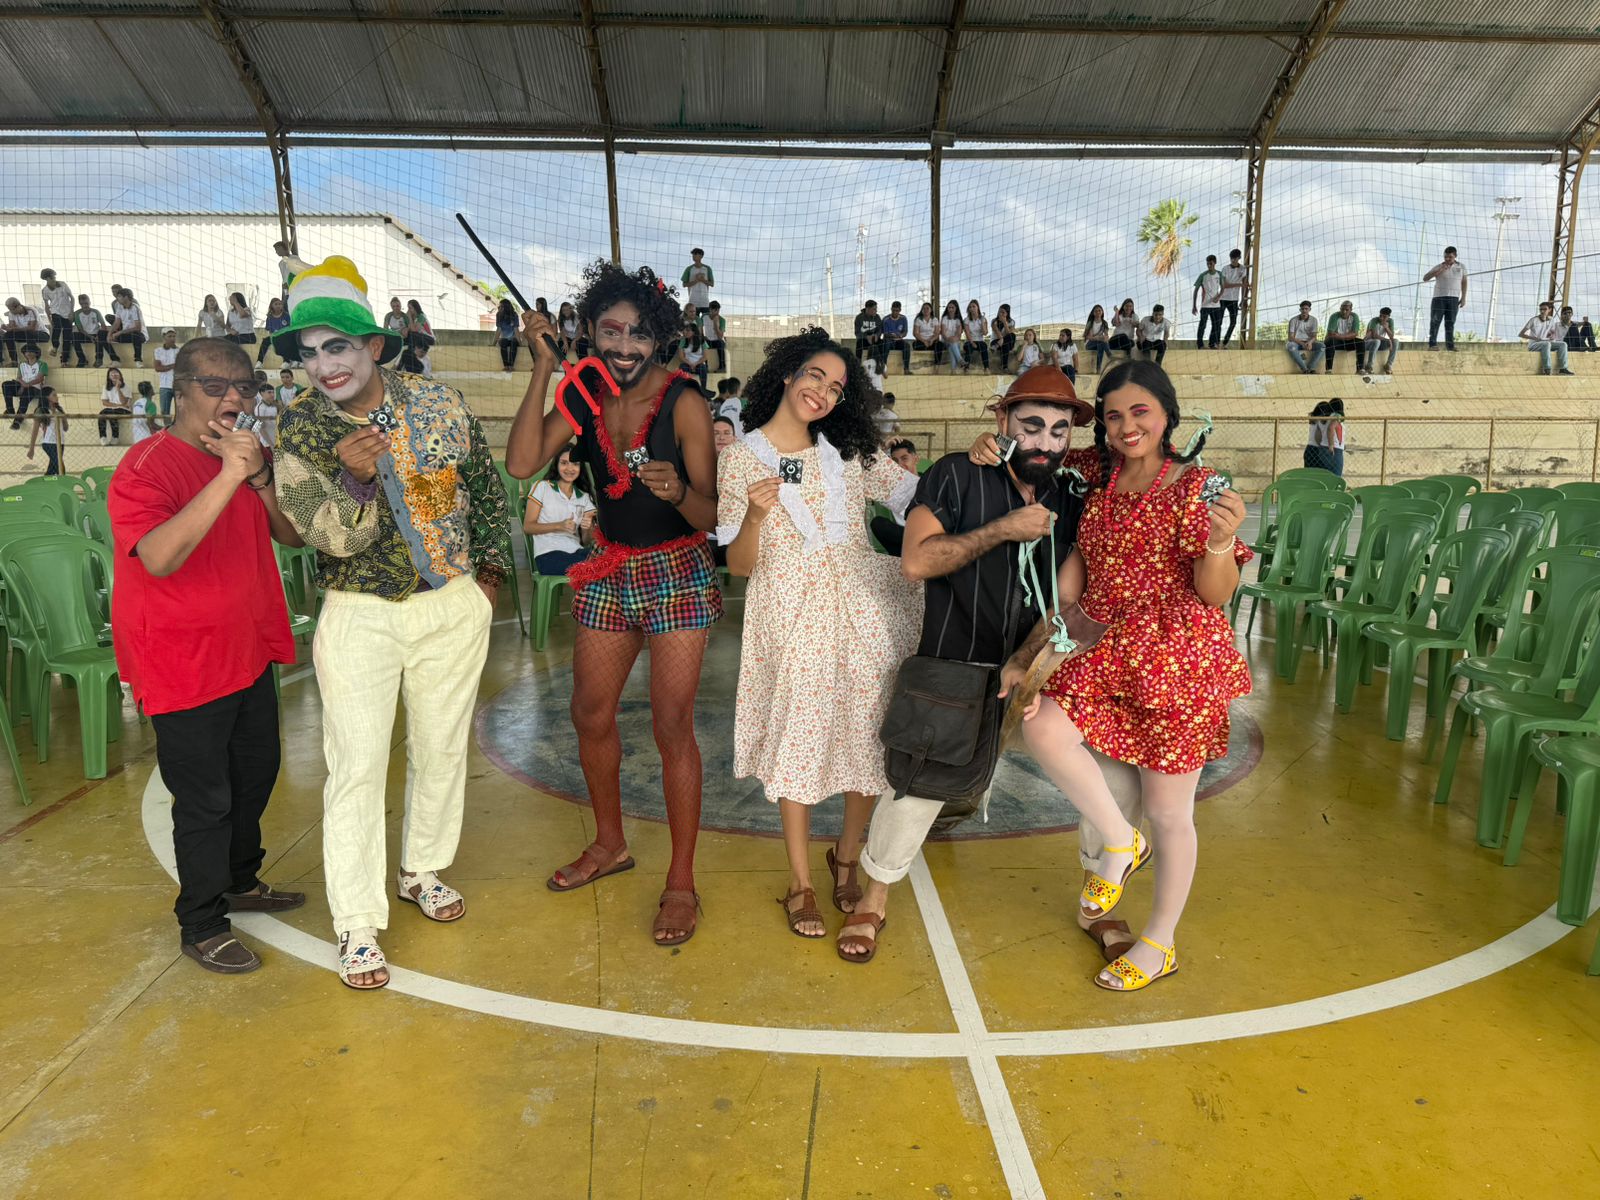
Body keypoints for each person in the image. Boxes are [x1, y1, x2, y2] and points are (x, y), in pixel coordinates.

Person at [273, 255, 511, 990]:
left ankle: (422, 870)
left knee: (441, 748)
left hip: (452, 605)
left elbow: (485, 487)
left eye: (336, 347)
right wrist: (352, 480)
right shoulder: (302, 426)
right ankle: (356, 922)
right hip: (359, 613)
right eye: (309, 353)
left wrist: (489, 579)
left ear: (374, 346)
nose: (323, 366)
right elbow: (324, 537)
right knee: (356, 766)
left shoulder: (438, 402)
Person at [836, 366, 1094, 963]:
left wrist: (1028, 661)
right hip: (953, 661)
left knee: (1096, 779)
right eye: (1032, 426)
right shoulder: (955, 473)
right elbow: (916, 563)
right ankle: (874, 898)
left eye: (1059, 431)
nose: (1046, 442)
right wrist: (1003, 529)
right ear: (1002, 419)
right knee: (917, 785)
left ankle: (1099, 900)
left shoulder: (1072, 494)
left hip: (1037, 667)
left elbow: (1067, 597)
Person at [506, 260, 720, 947]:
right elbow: (522, 463)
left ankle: (681, 881)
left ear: (660, 338)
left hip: (678, 571)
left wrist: (677, 493)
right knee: (589, 713)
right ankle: (610, 844)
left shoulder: (685, 402)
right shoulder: (584, 393)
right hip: (609, 567)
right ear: (591, 333)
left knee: (671, 726)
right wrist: (544, 367)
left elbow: (712, 515)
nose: (624, 347)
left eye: (638, 334)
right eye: (610, 332)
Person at [1021, 360, 1249, 991]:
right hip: (1104, 644)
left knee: (1170, 812)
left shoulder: (1197, 486)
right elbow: (1033, 460)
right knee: (1043, 726)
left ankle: (1159, 942)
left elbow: (1215, 593)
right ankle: (1122, 842)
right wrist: (992, 445)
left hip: (1178, 658)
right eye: (1114, 415)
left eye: (1140, 412)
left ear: (1167, 414)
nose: (1126, 426)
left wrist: (1222, 541)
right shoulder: (1098, 472)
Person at [108, 336, 306, 975]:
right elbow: (160, 556)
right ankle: (201, 922)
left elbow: (291, 536)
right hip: (182, 659)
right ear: (180, 390)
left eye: (244, 387)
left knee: (256, 772)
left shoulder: (248, 455)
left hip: (245, 648)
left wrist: (260, 476)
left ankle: (240, 880)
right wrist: (227, 475)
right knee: (204, 798)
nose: (233, 398)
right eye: (215, 386)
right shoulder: (146, 465)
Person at [718, 328, 921, 938]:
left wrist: (982, 460)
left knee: (867, 732)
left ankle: (846, 857)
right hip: (790, 611)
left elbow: (916, 496)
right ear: (787, 374)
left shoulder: (849, 452)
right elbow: (739, 566)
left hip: (862, 607)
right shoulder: (739, 458)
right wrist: (755, 515)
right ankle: (800, 882)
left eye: (836, 387)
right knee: (800, 735)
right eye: (815, 376)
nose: (823, 392)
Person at [524, 447, 596, 575]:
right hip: (548, 554)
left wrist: (588, 527)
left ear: (580, 468)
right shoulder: (542, 487)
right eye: (564, 463)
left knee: (610, 560)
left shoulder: (584, 497)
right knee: (597, 567)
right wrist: (559, 526)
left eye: (575, 464)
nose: (569, 468)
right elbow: (528, 527)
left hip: (576, 551)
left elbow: (586, 541)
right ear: (556, 465)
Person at [869, 437, 921, 556]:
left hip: (926, 534)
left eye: (904, 458)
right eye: (895, 461)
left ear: (916, 459)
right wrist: (883, 448)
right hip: (903, 538)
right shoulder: (890, 486)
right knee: (878, 523)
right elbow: (868, 468)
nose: (900, 465)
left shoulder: (928, 481)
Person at [1424, 245, 1467, 351]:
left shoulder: (1461, 267)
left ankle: (1450, 346)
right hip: (1439, 297)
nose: (1447, 259)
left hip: (1454, 298)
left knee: (1450, 322)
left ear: (1455, 256)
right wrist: (1440, 270)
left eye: (1450, 257)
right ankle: (1432, 344)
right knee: (1435, 321)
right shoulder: (1439, 266)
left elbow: (1464, 282)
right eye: (1445, 257)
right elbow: (1425, 278)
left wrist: (1463, 297)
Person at [4, 344, 54, 428]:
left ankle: (17, 421)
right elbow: (19, 378)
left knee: (25, 395)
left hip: (34, 387)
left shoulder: (42, 364)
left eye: (31, 351)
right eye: (26, 351)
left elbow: (39, 379)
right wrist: (22, 386)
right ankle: (10, 410)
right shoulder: (22, 364)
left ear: (36, 353)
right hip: (22, 385)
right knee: (6, 385)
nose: (28, 353)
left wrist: (26, 385)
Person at [1519, 301, 1574, 375]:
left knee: (1563, 344)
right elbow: (1521, 334)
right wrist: (1535, 338)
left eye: (1545, 309)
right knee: (1546, 344)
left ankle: (1563, 369)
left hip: (1545, 342)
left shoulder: (1551, 319)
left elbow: (1552, 332)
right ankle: (1547, 369)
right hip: (1534, 345)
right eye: (1541, 309)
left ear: (1549, 310)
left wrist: (1552, 336)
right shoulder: (1533, 320)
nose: (1542, 311)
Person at [25, 391, 68, 475]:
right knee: (60, 466)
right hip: (49, 442)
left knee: (53, 468)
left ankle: (45, 481)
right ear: (47, 397)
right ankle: (63, 481)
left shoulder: (59, 410)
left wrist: (64, 418)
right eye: (54, 395)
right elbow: (35, 430)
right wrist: (31, 448)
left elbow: (65, 428)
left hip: (61, 442)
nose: (57, 397)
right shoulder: (42, 410)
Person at [39, 269, 76, 363]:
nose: (54, 278)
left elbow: (72, 297)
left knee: (67, 336)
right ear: (47, 278)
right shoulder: (45, 290)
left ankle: (64, 360)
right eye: (52, 277)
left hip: (67, 313)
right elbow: (47, 306)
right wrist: (49, 318)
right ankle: (55, 347)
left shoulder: (62, 284)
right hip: (55, 312)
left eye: (54, 276)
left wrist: (72, 312)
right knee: (57, 327)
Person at [1192, 255, 1224, 349]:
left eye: (1211, 263)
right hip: (1205, 305)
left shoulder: (1219, 274)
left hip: (1216, 305)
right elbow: (1196, 290)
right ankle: (1200, 344)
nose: (1209, 265)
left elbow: (1223, 288)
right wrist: (1194, 305)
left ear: (1215, 263)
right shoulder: (1203, 275)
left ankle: (1212, 344)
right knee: (1202, 325)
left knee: (1216, 325)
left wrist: (1218, 297)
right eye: (1208, 264)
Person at [1324, 300, 1365, 374]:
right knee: (1330, 341)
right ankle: (1328, 369)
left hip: (1347, 341)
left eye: (1347, 310)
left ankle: (1360, 369)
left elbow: (1355, 333)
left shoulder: (1354, 316)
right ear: (1340, 309)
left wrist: (1341, 336)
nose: (1344, 311)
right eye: (1342, 309)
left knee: (1361, 342)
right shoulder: (1334, 316)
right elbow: (1331, 333)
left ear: (1351, 310)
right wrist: (1347, 336)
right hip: (1337, 342)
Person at [71, 294, 110, 367]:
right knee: (73, 336)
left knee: (101, 337)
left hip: (96, 334)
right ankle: (82, 359)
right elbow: (80, 329)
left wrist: (97, 335)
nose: (85, 305)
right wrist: (90, 337)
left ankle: (98, 359)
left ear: (89, 302)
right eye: (82, 304)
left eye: (86, 303)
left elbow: (103, 325)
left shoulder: (96, 312)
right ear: (80, 304)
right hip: (85, 334)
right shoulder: (77, 313)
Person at [3, 297, 45, 364]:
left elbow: (33, 328)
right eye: (9, 309)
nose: (10, 311)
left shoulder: (31, 311)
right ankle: (14, 360)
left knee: (29, 333)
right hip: (24, 333)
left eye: (11, 309)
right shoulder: (11, 313)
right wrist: (6, 328)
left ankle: (33, 360)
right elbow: (12, 327)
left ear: (18, 306)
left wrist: (17, 328)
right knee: (8, 335)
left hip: (40, 333)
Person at [1218, 248, 1247, 347]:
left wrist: (1243, 299)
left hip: (1234, 299)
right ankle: (1216, 342)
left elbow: (1245, 285)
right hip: (1223, 298)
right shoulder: (1225, 269)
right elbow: (1224, 285)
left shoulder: (1243, 269)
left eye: (1235, 258)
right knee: (1218, 322)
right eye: (1231, 258)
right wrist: (1239, 285)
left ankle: (1225, 343)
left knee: (1233, 322)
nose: (1233, 260)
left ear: (1239, 258)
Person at [110, 288, 146, 363]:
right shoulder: (119, 307)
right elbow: (116, 323)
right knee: (102, 334)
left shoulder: (134, 307)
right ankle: (115, 360)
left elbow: (138, 328)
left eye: (119, 296)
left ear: (126, 297)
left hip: (139, 335)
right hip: (126, 335)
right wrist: (109, 334)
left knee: (136, 335)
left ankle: (138, 359)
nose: (117, 298)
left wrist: (120, 332)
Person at [99, 365, 133, 444]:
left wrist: (118, 388)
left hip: (125, 410)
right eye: (112, 374)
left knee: (112, 413)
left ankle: (115, 437)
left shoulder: (126, 387)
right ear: (109, 377)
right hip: (113, 408)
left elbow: (124, 402)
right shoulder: (106, 387)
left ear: (120, 375)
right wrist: (117, 405)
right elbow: (104, 402)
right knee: (101, 413)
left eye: (116, 374)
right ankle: (103, 437)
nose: (114, 375)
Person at [1286, 300, 1323, 373]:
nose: (1304, 311)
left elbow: (1314, 336)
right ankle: (1304, 369)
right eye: (1302, 309)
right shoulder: (1293, 320)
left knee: (1322, 346)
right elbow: (1291, 337)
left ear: (1310, 309)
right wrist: (1302, 343)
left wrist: (1310, 342)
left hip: (1309, 343)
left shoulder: (1314, 320)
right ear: (1300, 310)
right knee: (1290, 346)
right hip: (1296, 342)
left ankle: (1311, 368)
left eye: (1306, 309)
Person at [153, 327, 180, 422]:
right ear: (164, 337)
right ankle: (167, 428)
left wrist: (167, 367)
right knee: (165, 412)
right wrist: (174, 365)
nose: (172, 338)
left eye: (174, 336)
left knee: (180, 411)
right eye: (170, 336)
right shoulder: (158, 351)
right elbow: (157, 368)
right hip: (164, 385)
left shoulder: (180, 351)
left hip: (178, 385)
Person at [1303, 401, 1336, 471]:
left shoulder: (1313, 419)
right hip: (1316, 449)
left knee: (1309, 473)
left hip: (1309, 448)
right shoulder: (1320, 420)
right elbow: (1317, 438)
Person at [854, 299, 885, 372]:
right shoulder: (859, 318)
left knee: (882, 344)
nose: (876, 311)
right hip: (864, 339)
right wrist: (866, 337)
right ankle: (857, 366)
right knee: (859, 344)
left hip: (874, 338)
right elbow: (857, 332)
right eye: (874, 309)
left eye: (876, 309)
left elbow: (880, 329)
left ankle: (880, 365)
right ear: (867, 309)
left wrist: (877, 336)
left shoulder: (877, 317)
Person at [1364, 307, 1397, 374]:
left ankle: (1388, 365)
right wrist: (1387, 340)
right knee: (1377, 341)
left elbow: (1391, 336)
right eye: (1380, 315)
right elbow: (1374, 336)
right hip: (1369, 343)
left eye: (1384, 317)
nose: (1381, 318)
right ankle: (1369, 366)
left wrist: (1387, 328)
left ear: (1388, 316)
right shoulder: (1374, 320)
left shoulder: (1390, 321)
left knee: (1396, 341)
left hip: (1380, 344)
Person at [882, 300, 911, 374]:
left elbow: (905, 332)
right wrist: (892, 335)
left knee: (907, 346)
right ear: (891, 309)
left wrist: (901, 335)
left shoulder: (903, 318)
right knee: (886, 344)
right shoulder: (886, 319)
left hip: (898, 341)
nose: (895, 312)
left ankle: (906, 369)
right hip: (888, 340)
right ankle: (883, 368)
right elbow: (885, 334)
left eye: (897, 311)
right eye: (893, 310)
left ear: (900, 310)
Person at [258, 297, 290, 364]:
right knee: (265, 341)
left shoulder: (286, 316)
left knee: (285, 341)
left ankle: (286, 361)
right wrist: (273, 336)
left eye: (280, 304)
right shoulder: (269, 317)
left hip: (285, 336)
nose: (278, 306)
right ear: (271, 306)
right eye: (276, 304)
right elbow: (269, 331)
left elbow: (290, 328)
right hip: (274, 336)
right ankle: (259, 361)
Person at [679, 325, 710, 389]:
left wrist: (695, 364)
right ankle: (684, 388)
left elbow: (705, 356)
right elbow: (681, 356)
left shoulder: (702, 341)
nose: (685, 332)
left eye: (688, 330)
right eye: (685, 330)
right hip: (687, 364)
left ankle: (704, 389)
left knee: (703, 368)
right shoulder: (683, 340)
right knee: (682, 367)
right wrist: (690, 364)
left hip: (699, 364)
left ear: (694, 332)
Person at [939, 300, 966, 372]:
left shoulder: (958, 320)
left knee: (952, 347)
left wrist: (953, 339)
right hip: (945, 341)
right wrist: (949, 339)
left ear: (956, 308)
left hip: (955, 341)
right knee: (952, 344)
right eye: (949, 307)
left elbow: (958, 335)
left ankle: (953, 370)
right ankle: (960, 360)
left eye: (952, 308)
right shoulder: (944, 318)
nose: (950, 309)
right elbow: (943, 333)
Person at [963, 299, 991, 371]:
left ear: (978, 307)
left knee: (984, 346)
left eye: (973, 306)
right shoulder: (966, 320)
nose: (971, 308)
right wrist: (972, 343)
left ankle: (986, 368)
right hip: (970, 341)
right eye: (970, 307)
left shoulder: (983, 319)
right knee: (968, 347)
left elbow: (985, 333)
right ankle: (966, 367)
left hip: (980, 341)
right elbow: (967, 333)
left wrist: (982, 322)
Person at [701, 301, 727, 375]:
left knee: (721, 343)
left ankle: (722, 367)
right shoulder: (704, 316)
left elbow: (720, 337)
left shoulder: (722, 320)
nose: (717, 312)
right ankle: (705, 367)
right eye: (715, 310)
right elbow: (700, 328)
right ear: (710, 310)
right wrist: (703, 336)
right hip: (707, 340)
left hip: (717, 341)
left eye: (718, 310)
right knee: (701, 344)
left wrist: (716, 325)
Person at [913, 302, 940, 369]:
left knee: (940, 345)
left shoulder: (935, 319)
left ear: (931, 310)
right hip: (921, 341)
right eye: (924, 308)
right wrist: (924, 341)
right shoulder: (918, 319)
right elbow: (916, 333)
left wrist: (932, 340)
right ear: (922, 310)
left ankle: (937, 365)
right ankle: (921, 366)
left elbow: (937, 333)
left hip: (932, 341)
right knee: (915, 345)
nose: (925, 310)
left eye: (927, 308)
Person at [1083, 305, 1111, 372]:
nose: (1098, 312)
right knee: (1101, 342)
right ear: (1093, 313)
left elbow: (1106, 336)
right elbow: (1089, 337)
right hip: (1089, 344)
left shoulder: (1104, 323)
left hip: (1099, 343)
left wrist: (1105, 338)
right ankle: (1110, 356)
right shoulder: (1090, 323)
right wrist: (1099, 338)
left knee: (1101, 344)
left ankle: (1098, 369)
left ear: (1102, 312)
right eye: (1096, 311)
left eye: (1099, 310)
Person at [495, 298, 521, 371]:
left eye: (500, 306)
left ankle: (511, 366)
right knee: (503, 341)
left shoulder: (514, 315)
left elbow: (516, 330)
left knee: (513, 342)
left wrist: (520, 343)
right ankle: (506, 366)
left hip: (513, 339)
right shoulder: (499, 315)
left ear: (505, 307)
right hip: (504, 339)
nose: (499, 308)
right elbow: (498, 330)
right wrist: (493, 343)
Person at [252, 382, 279, 448]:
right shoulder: (260, 408)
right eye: (269, 392)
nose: (272, 395)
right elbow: (261, 428)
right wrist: (271, 444)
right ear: (262, 393)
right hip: (267, 444)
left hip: (276, 440)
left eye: (273, 392)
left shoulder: (274, 405)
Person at [990, 303, 1016, 372]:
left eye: (1003, 312)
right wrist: (1001, 339)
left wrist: (1005, 322)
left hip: (999, 344)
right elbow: (997, 333)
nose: (1000, 314)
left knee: (1012, 335)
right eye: (999, 311)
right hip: (995, 342)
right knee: (1006, 345)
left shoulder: (1012, 322)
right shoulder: (994, 321)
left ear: (1007, 313)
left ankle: (1004, 367)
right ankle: (1004, 367)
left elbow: (1009, 333)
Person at [1327, 398, 1346, 476]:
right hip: (1336, 449)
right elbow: (1331, 427)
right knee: (1336, 476)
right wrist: (1331, 445)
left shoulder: (1329, 416)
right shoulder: (1337, 416)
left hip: (1335, 447)